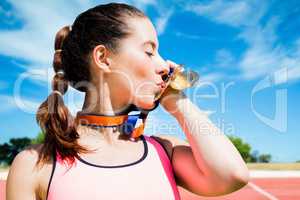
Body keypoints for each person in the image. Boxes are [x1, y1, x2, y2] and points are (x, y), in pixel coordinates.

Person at [6, 3, 249, 200]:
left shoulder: (164, 151)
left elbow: (232, 175)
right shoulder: (34, 164)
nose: (165, 65)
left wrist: (175, 99)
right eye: (149, 51)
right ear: (103, 57)